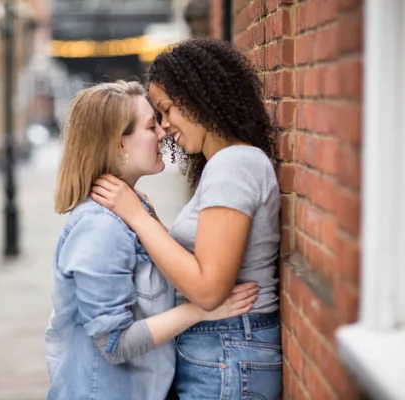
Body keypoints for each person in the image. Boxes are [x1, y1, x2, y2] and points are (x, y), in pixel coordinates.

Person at [91, 38, 282, 400]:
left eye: (166, 110)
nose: (164, 127)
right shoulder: (225, 165)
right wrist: (151, 221)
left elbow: (209, 290)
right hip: (224, 351)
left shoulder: (233, 164)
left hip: (229, 350)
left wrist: (139, 219)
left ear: (198, 98)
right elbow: (200, 259)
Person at [45, 80, 259, 400]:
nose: (162, 132)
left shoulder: (134, 210)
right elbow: (114, 344)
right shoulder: (100, 229)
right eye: (150, 126)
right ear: (120, 145)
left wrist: (148, 221)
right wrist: (201, 310)